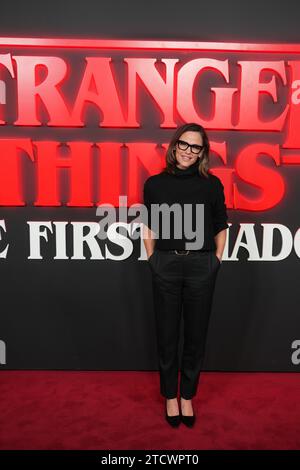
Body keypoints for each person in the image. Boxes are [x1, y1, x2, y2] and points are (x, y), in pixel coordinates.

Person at [142, 122, 229, 428]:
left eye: (196, 147)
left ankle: (187, 396)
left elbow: (220, 223)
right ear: (174, 145)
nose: (188, 151)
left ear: (202, 152)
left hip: (201, 266)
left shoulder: (212, 185)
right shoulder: (154, 184)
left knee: (195, 335)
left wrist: (215, 260)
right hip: (165, 264)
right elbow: (149, 224)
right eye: (184, 144)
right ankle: (170, 395)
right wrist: (153, 258)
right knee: (167, 335)